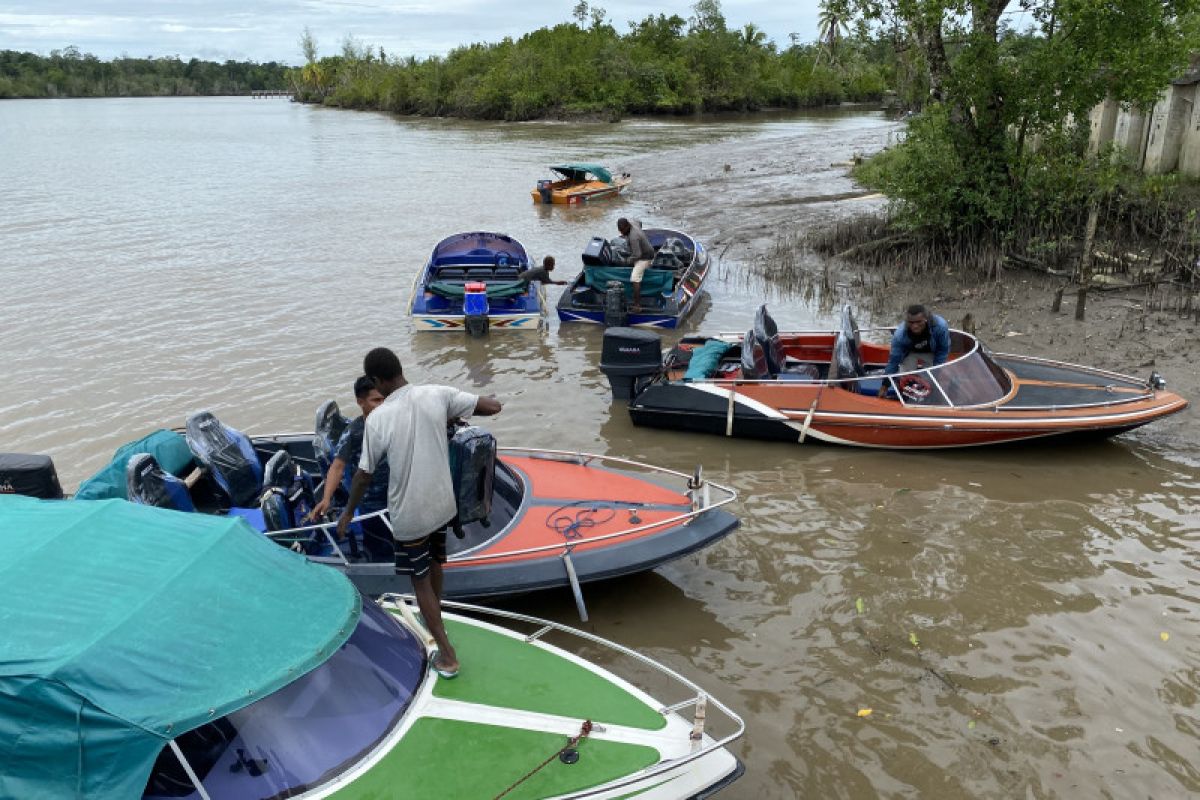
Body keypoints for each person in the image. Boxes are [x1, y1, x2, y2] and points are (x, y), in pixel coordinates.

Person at [337, 347, 502, 679]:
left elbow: (363, 474)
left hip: (410, 515)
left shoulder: (378, 418)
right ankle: (437, 623)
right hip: (443, 506)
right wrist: (456, 410)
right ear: (400, 369)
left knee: (420, 581)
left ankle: (448, 655)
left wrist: (346, 515)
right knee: (436, 564)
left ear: (376, 380)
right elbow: (492, 406)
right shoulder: (436, 394)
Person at [309, 376, 392, 561]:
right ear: (361, 402)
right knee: (381, 547)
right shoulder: (353, 433)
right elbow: (338, 466)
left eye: (385, 398)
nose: (383, 404)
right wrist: (326, 498)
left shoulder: (394, 421)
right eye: (376, 400)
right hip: (372, 502)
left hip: (398, 495)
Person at [879, 304, 951, 396]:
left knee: (933, 379)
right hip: (910, 354)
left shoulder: (940, 326)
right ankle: (904, 391)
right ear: (907, 321)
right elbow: (894, 360)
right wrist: (885, 385)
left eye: (918, 322)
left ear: (925, 319)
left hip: (931, 353)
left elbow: (943, 350)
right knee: (906, 376)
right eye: (911, 323)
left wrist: (937, 372)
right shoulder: (900, 335)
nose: (915, 326)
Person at [618, 217, 654, 312]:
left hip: (646, 257)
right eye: (620, 231)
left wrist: (627, 261)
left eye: (622, 231)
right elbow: (639, 221)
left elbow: (638, 255)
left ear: (627, 227)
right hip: (643, 250)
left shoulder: (633, 237)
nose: (621, 233)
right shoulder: (633, 223)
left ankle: (637, 305)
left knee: (635, 276)